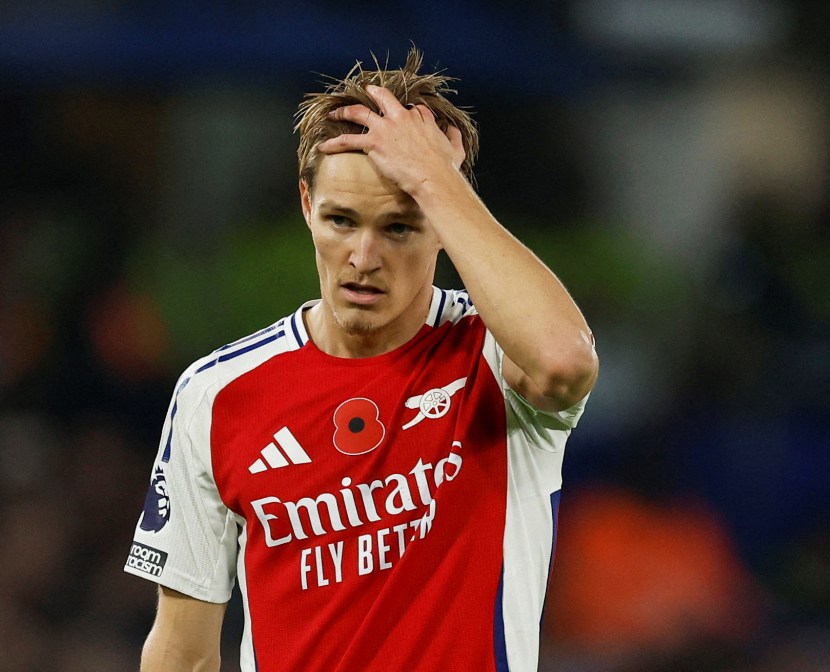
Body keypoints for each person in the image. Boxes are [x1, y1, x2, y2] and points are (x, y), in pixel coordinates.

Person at [125, 47, 599, 672]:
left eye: (399, 227)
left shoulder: (493, 355)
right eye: (341, 221)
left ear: (441, 223)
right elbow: (182, 651)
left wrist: (436, 181)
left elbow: (564, 361)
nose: (363, 256)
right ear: (306, 206)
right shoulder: (217, 393)